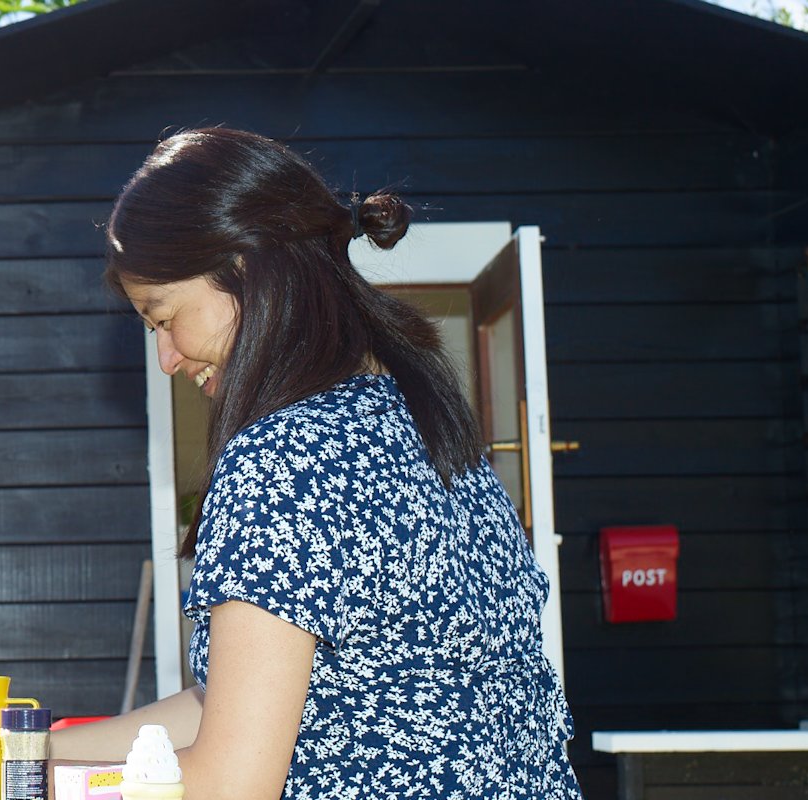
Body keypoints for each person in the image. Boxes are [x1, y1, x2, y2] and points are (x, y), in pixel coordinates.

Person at [50, 128, 583, 799]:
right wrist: (32, 752)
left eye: (163, 318)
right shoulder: (426, 426)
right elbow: (247, 707)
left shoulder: (284, 458)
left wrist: (37, 787)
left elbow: (230, 784)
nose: (167, 358)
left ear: (243, 269)